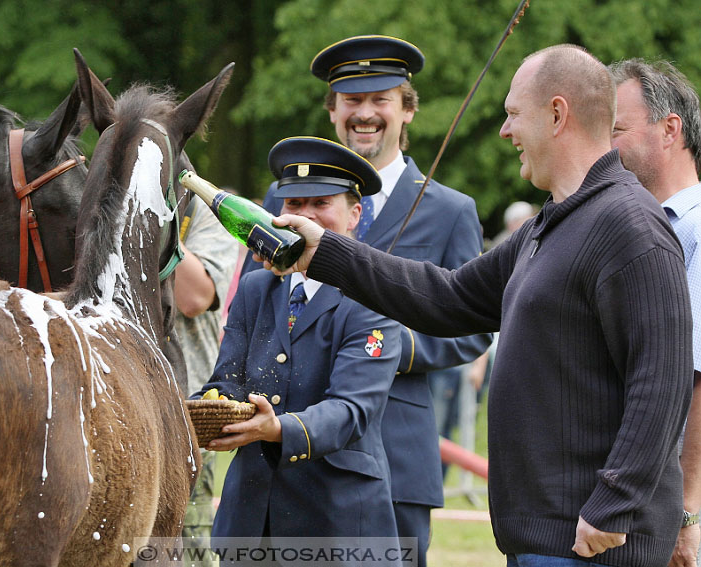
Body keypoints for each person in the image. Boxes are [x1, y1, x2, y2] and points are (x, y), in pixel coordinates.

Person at [260, 44, 694, 567]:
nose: (505, 132)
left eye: (513, 115)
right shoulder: (548, 224)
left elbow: (662, 378)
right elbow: (447, 297)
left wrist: (615, 503)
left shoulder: (630, 226)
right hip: (544, 538)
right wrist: (323, 251)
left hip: (590, 543)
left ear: (557, 115)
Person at [241, 35, 492, 565]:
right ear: (332, 111)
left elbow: (473, 327)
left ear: (407, 110)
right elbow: (254, 304)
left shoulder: (451, 210)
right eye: (351, 100)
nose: (365, 114)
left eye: (381, 99)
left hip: (397, 454)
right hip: (287, 451)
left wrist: (388, 348)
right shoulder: (281, 201)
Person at [194, 137, 402, 561]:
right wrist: (205, 409)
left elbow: (351, 410)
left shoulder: (374, 295)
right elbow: (227, 380)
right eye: (294, 204)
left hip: (337, 525)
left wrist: (278, 430)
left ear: (354, 216)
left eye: (321, 203)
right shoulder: (255, 288)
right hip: (251, 524)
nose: (304, 216)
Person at [609, 58, 701, 567]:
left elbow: (697, 375)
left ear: (670, 130)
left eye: (615, 130)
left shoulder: (695, 229)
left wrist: (686, 512)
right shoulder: (639, 225)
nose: (602, 146)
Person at [174, 190, 239, 566]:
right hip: (113, 398)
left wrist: (156, 220)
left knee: (190, 548)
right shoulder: (101, 199)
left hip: (187, 409)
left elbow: (194, 297)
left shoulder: (204, 206)